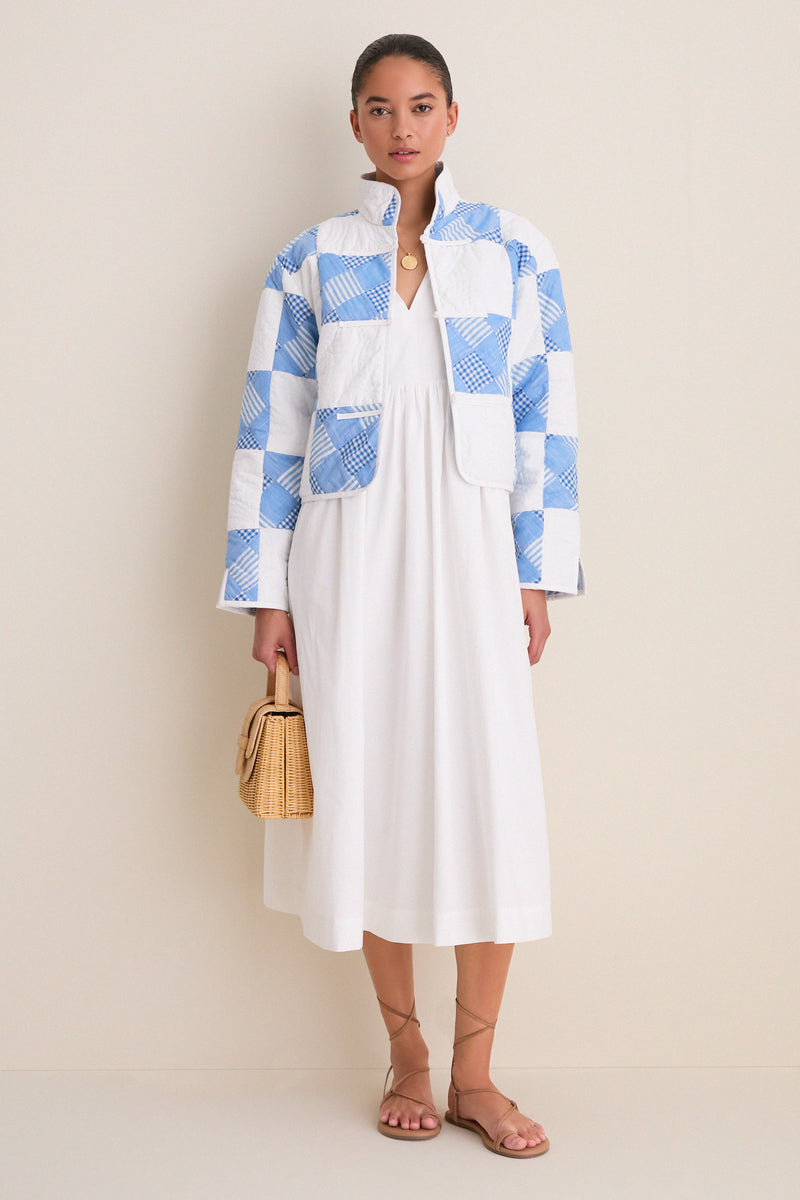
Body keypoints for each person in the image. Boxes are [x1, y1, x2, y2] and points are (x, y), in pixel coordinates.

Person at [219, 33, 583, 1158]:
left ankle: (477, 1072)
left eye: (420, 104)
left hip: (473, 550)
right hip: (346, 556)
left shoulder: (516, 252)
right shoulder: (309, 261)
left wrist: (533, 567)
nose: (402, 125)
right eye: (379, 108)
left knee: (486, 798)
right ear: (355, 126)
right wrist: (265, 593)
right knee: (368, 789)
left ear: (452, 116)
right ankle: (410, 1057)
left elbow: (544, 415)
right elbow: (269, 430)